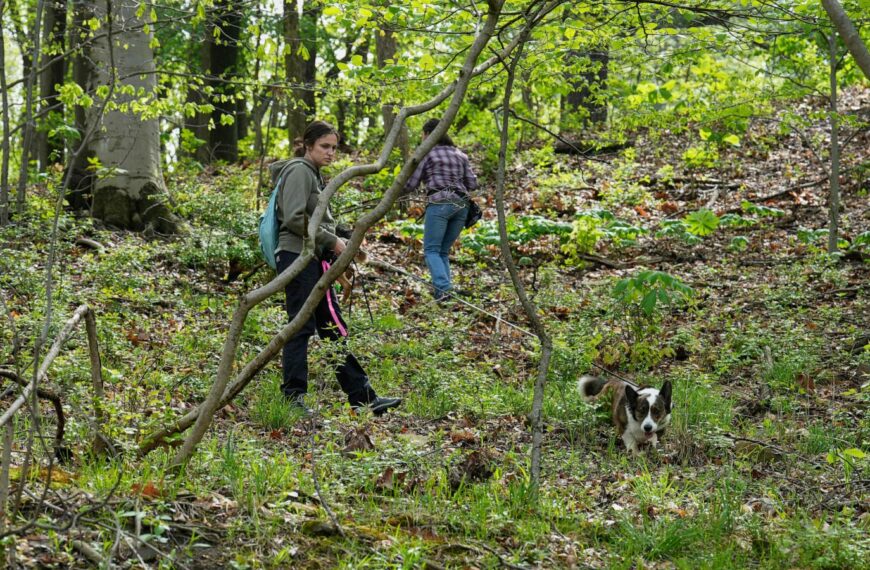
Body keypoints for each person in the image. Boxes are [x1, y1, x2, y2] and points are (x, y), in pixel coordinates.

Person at [270, 120, 401, 416]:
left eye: (334, 147)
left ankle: (363, 398)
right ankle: (293, 399)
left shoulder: (313, 174)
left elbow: (317, 220)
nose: (331, 153)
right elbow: (293, 218)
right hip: (296, 257)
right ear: (307, 145)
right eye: (324, 147)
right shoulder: (299, 171)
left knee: (331, 327)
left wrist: (344, 239)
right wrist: (331, 241)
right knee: (299, 327)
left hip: (311, 258)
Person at [403, 118, 479, 301]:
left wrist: (396, 188)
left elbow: (411, 184)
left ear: (429, 134)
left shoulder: (427, 154)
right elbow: (473, 183)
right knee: (442, 251)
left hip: (439, 203)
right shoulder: (460, 155)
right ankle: (443, 295)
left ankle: (445, 290)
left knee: (431, 250)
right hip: (462, 205)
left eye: (423, 135)